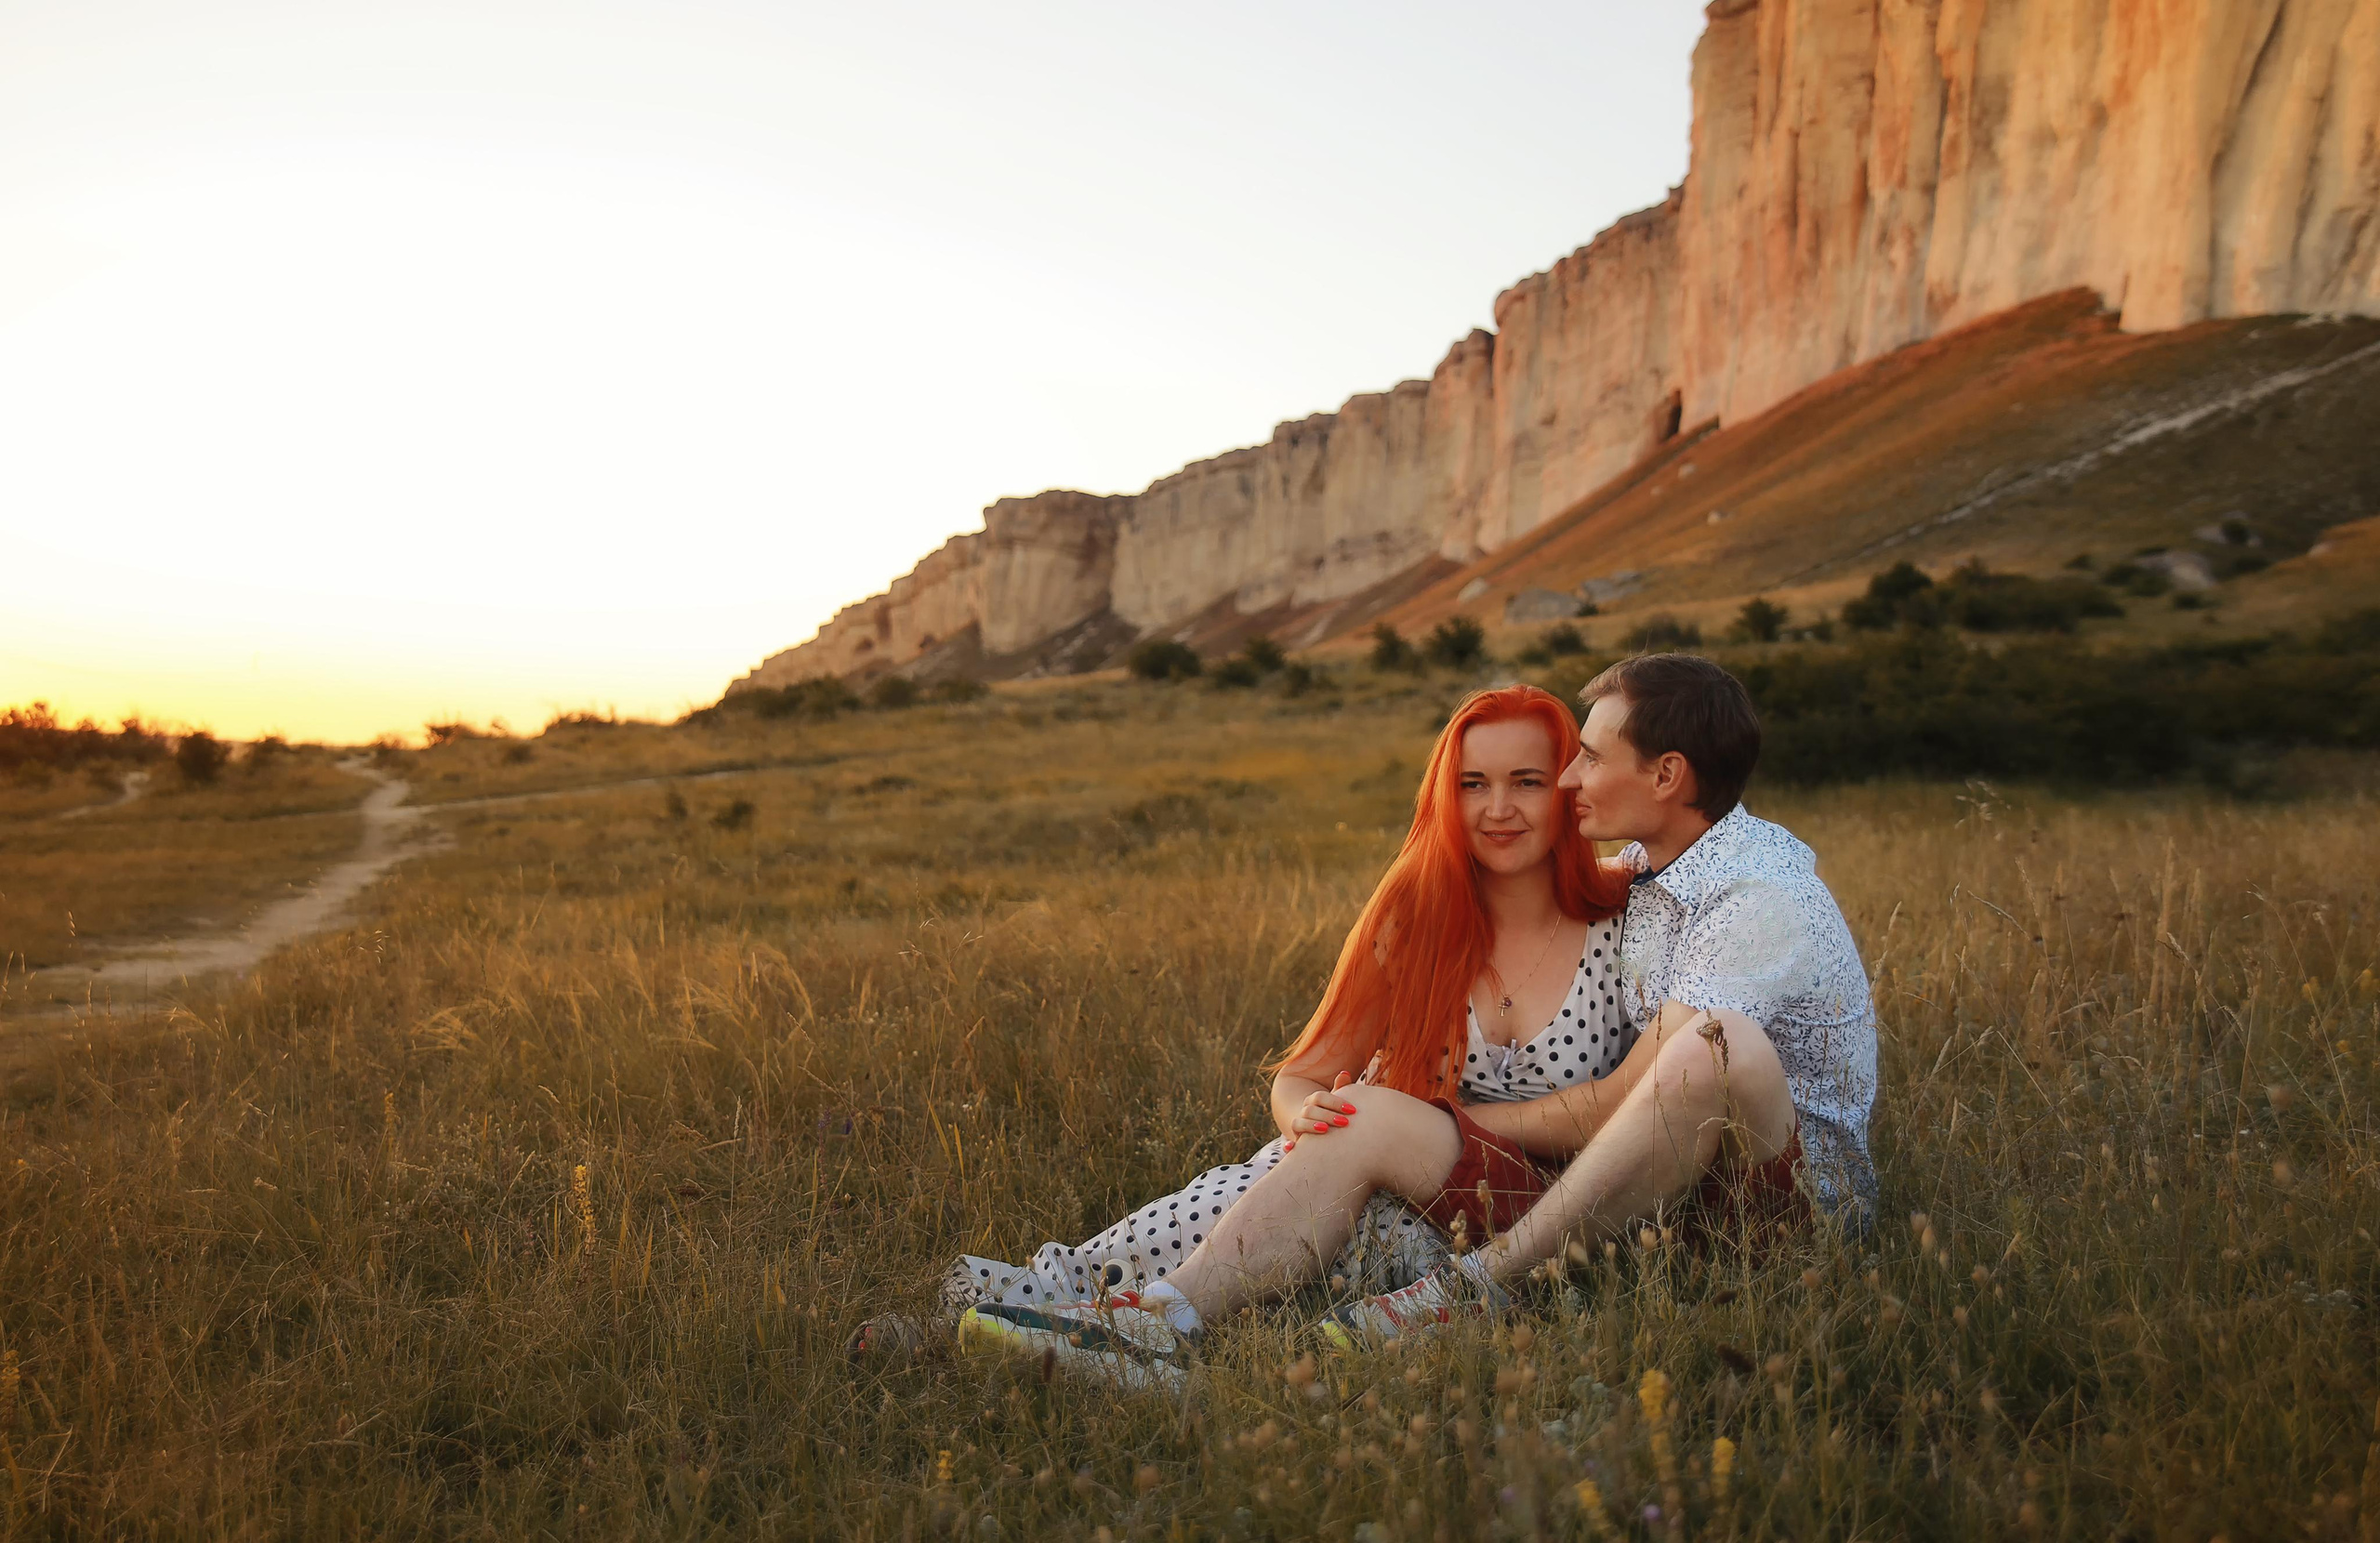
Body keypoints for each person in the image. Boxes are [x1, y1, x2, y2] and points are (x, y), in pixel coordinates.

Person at [939, 684, 1637, 1389]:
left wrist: (1407, 1123)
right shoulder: (1416, 915)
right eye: (1473, 785)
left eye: (1527, 783)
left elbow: (1632, 1111)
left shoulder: (1624, 920)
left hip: (1529, 1210)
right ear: (1445, 798)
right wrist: (1304, 1116)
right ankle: (1006, 1316)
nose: (1499, 809)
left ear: (1569, 788)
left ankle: (1109, 1331)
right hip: (1364, 1163)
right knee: (1236, 1195)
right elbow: (1302, 1076)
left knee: (1340, 1217)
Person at [1319, 652, 1878, 1346]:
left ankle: (1475, 1288)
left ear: (1667, 775)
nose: (1567, 778)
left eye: (1589, 758)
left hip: (1780, 1211)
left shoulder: (1756, 898)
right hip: (1663, 1184)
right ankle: (1169, 1310)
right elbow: (1542, 889)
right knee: (1372, 1135)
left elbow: (1627, 1098)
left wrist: (1451, 1118)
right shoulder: (1655, 862)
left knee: (1713, 1045)